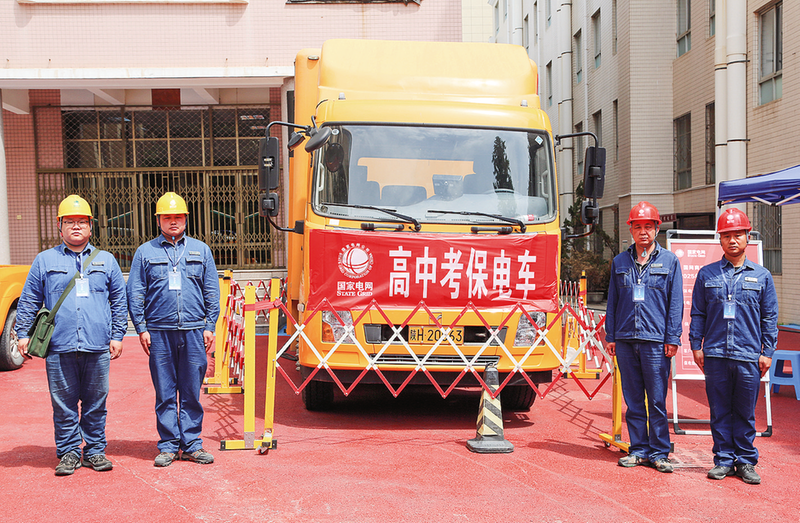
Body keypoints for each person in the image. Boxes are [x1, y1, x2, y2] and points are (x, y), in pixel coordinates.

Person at [15, 195, 127, 476]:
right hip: (59, 346)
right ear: (59, 226)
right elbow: (29, 300)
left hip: (96, 345)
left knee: (96, 403)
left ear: (91, 226)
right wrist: (23, 333)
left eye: (81, 222)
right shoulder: (44, 260)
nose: (76, 226)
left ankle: (95, 450)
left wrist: (117, 335)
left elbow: (119, 300)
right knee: (63, 404)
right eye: (69, 222)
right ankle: (68, 452)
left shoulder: (107, 260)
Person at [127, 192, 220, 467]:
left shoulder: (201, 250)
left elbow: (212, 290)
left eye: (178, 216)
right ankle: (168, 445)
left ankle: (191, 444)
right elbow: (136, 292)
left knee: (191, 391)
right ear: (158, 220)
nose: (173, 221)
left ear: (186, 219)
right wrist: (141, 328)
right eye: (167, 217)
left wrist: (210, 325)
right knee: (165, 391)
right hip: (159, 332)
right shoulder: (145, 252)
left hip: (194, 331)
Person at [689, 208, 778, 485]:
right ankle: (724, 460)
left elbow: (769, 317)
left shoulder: (762, 276)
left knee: (745, 411)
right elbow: (698, 313)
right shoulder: (707, 274)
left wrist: (767, 352)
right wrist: (696, 344)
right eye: (726, 235)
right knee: (719, 410)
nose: (732, 240)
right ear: (720, 240)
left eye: (738, 234)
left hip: (748, 354)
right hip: (715, 353)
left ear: (747, 237)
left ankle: (746, 461)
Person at [605, 201, 683, 473]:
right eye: (637, 226)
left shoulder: (670, 262)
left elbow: (676, 302)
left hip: (655, 341)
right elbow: (613, 301)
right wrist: (611, 335)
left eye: (648, 226)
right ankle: (638, 449)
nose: (643, 232)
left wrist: (672, 337)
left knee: (657, 399)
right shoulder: (620, 262)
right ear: (631, 230)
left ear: (657, 229)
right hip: (626, 340)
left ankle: (660, 452)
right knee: (634, 399)